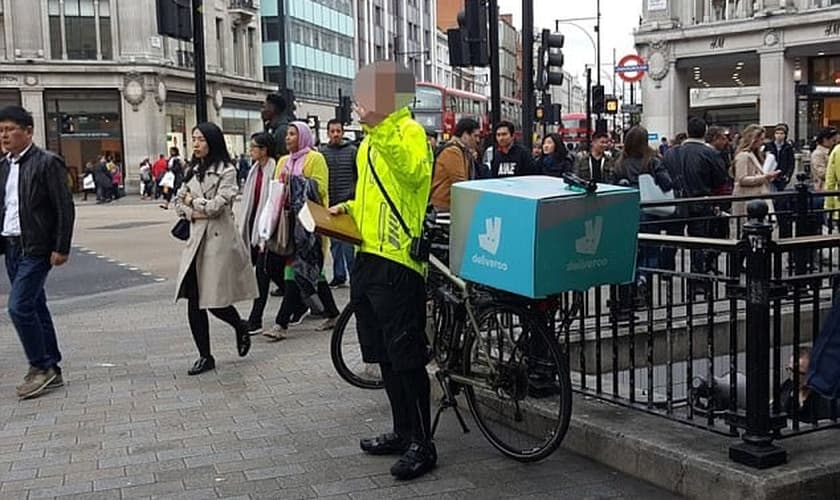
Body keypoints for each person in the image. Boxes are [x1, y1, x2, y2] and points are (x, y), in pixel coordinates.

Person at [329, 61, 435, 481]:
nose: (360, 103)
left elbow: (412, 179)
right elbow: (375, 196)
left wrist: (381, 125)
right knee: (385, 356)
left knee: (407, 356)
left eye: (369, 95)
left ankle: (424, 444)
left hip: (400, 261)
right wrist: (348, 208)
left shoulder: (409, 134)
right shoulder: (370, 143)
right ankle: (402, 430)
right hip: (368, 257)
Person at [0, 105, 75, 399]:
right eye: (1, 130)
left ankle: (39, 366)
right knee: (35, 305)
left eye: (10, 129)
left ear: (28, 131)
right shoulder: (4, 165)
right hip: (12, 246)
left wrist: (61, 247)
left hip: (36, 247)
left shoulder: (47, 162)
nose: (4, 135)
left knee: (18, 307)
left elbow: (63, 207)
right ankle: (52, 367)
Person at [173, 122, 257, 375]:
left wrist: (193, 202)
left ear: (212, 141)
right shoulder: (191, 169)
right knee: (194, 300)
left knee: (214, 301)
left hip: (217, 242)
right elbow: (178, 203)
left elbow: (216, 207)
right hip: (196, 241)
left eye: (200, 139)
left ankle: (239, 325)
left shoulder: (227, 171)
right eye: (194, 139)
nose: (196, 144)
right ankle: (204, 355)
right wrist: (192, 210)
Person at [261, 121, 340, 339]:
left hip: (309, 228)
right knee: (313, 274)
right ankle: (333, 313)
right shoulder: (283, 161)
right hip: (288, 226)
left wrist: (294, 180)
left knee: (295, 272)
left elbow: (320, 188)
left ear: (303, 137)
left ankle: (281, 324)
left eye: (293, 134)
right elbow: (277, 191)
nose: (287, 138)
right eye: (287, 134)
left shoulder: (316, 158)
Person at [662, 117, 729, 289]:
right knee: (698, 241)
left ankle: (666, 270)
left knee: (672, 237)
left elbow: (663, 177)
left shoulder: (671, 152)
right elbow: (720, 179)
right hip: (700, 201)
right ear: (704, 132)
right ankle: (697, 277)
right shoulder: (710, 153)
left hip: (675, 201)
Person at [612, 125, 672, 301]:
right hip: (648, 211)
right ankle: (643, 280)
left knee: (632, 252)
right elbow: (666, 183)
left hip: (626, 213)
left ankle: (628, 292)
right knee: (651, 251)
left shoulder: (620, 163)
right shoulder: (652, 161)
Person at [238, 132, 278, 336]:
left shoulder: (274, 169)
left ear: (264, 150)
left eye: (254, 147)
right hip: (253, 227)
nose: (250, 150)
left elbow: (274, 202)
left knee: (261, 274)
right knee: (275, 273)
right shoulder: (255, 170)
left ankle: (255, 319)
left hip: (268, 231)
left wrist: (265, 232)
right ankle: (300, 303)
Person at [321, 119, 358, 289]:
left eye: (338, 131)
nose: (336, 134)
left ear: (343, 132)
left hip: (348, 204)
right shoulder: (322, 153)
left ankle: (353, 274)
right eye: (332, 131)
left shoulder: (352, 152)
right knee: (335, 245)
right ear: (328, 133)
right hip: (330, 204)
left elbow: (358, 176)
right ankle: (339, 275)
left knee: (348, 244)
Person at [731, 124, 780, 223]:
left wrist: (768, 177)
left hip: (758, 197)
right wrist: (764, 177)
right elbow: (741, 179)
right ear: (753, 139)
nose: (762, 143)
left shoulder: (755, 154)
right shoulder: (743, 156)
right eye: (761, 139)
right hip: (749, 198)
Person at [430, 117, 481, 211]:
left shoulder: (462, 151)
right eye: (475, 136)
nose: (478, 140)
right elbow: (460, 182)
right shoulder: (453, 151)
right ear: (465, 134)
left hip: (450, 204)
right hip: (444, 206)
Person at [764, 123, 795, 193]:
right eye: (777, 133)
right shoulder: (769, 146)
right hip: (770, 174)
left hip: (782, 175)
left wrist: (788, 175)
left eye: (781, 133)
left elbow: (791, 163)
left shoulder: (788, 147)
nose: (779, 135)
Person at [263, 93, 293, 158]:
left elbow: (283, 156)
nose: (262, 110)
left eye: (264, 107)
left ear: (272, 108)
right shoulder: (271, 128)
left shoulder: (282, 130)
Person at [811, 127, 838, 193]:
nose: (835, 143)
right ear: (825, 140)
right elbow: (822, 173)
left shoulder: (834, 151)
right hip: (823, 189)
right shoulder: (818, 154)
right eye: (833, 141)